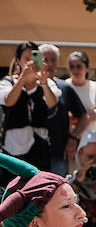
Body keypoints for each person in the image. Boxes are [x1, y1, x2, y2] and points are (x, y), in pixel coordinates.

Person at [0, 41, 58, 170]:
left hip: (40, 146)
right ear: (18, 61)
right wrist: (22, 79)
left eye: (34, 58)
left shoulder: (47, 82)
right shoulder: (8, 82)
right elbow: (9, 101)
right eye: (26, 59)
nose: (30, 62)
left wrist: (43, 83)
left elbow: (52, 103)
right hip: (14, 146)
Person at [38, 43, 90, 175]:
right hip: (32, 153)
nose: (49, 64)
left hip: (59, 153)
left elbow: (84, 116)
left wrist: (73, 138)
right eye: (45, 60)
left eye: (53, 60)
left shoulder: (65, 87)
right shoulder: (29, 87)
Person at [66, 50, 96, 148]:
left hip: (91, 140)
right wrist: (91, 114)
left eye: (79, 66)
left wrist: (80, 116)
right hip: (69, 142)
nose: (75, 70)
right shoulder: (64, 86)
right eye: (72, 67)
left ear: (87, 67)